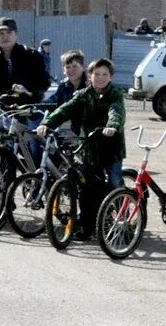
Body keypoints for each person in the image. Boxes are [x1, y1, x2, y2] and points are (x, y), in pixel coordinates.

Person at [36, 57, 125, 239]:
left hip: (111, 148)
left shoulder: (115, 93)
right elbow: (65, 109)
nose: (100, 78)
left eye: (104, 74)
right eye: (96, 74)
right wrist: (47, 123)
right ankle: (86, 224)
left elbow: (116, 111)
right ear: (90, 76)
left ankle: (124, 219)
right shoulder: (84, 94)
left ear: (111, 77)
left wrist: (113, 126)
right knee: (86, 187)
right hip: (89, 148)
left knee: (115, 183)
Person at [0, 17, 51, 101]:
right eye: (1, 33)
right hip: (2, 106)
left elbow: (44, 82)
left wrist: (28, 91)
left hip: (29, 106)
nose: (5, 36)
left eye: (9, 32)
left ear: (16, 34)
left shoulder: (32, 55)